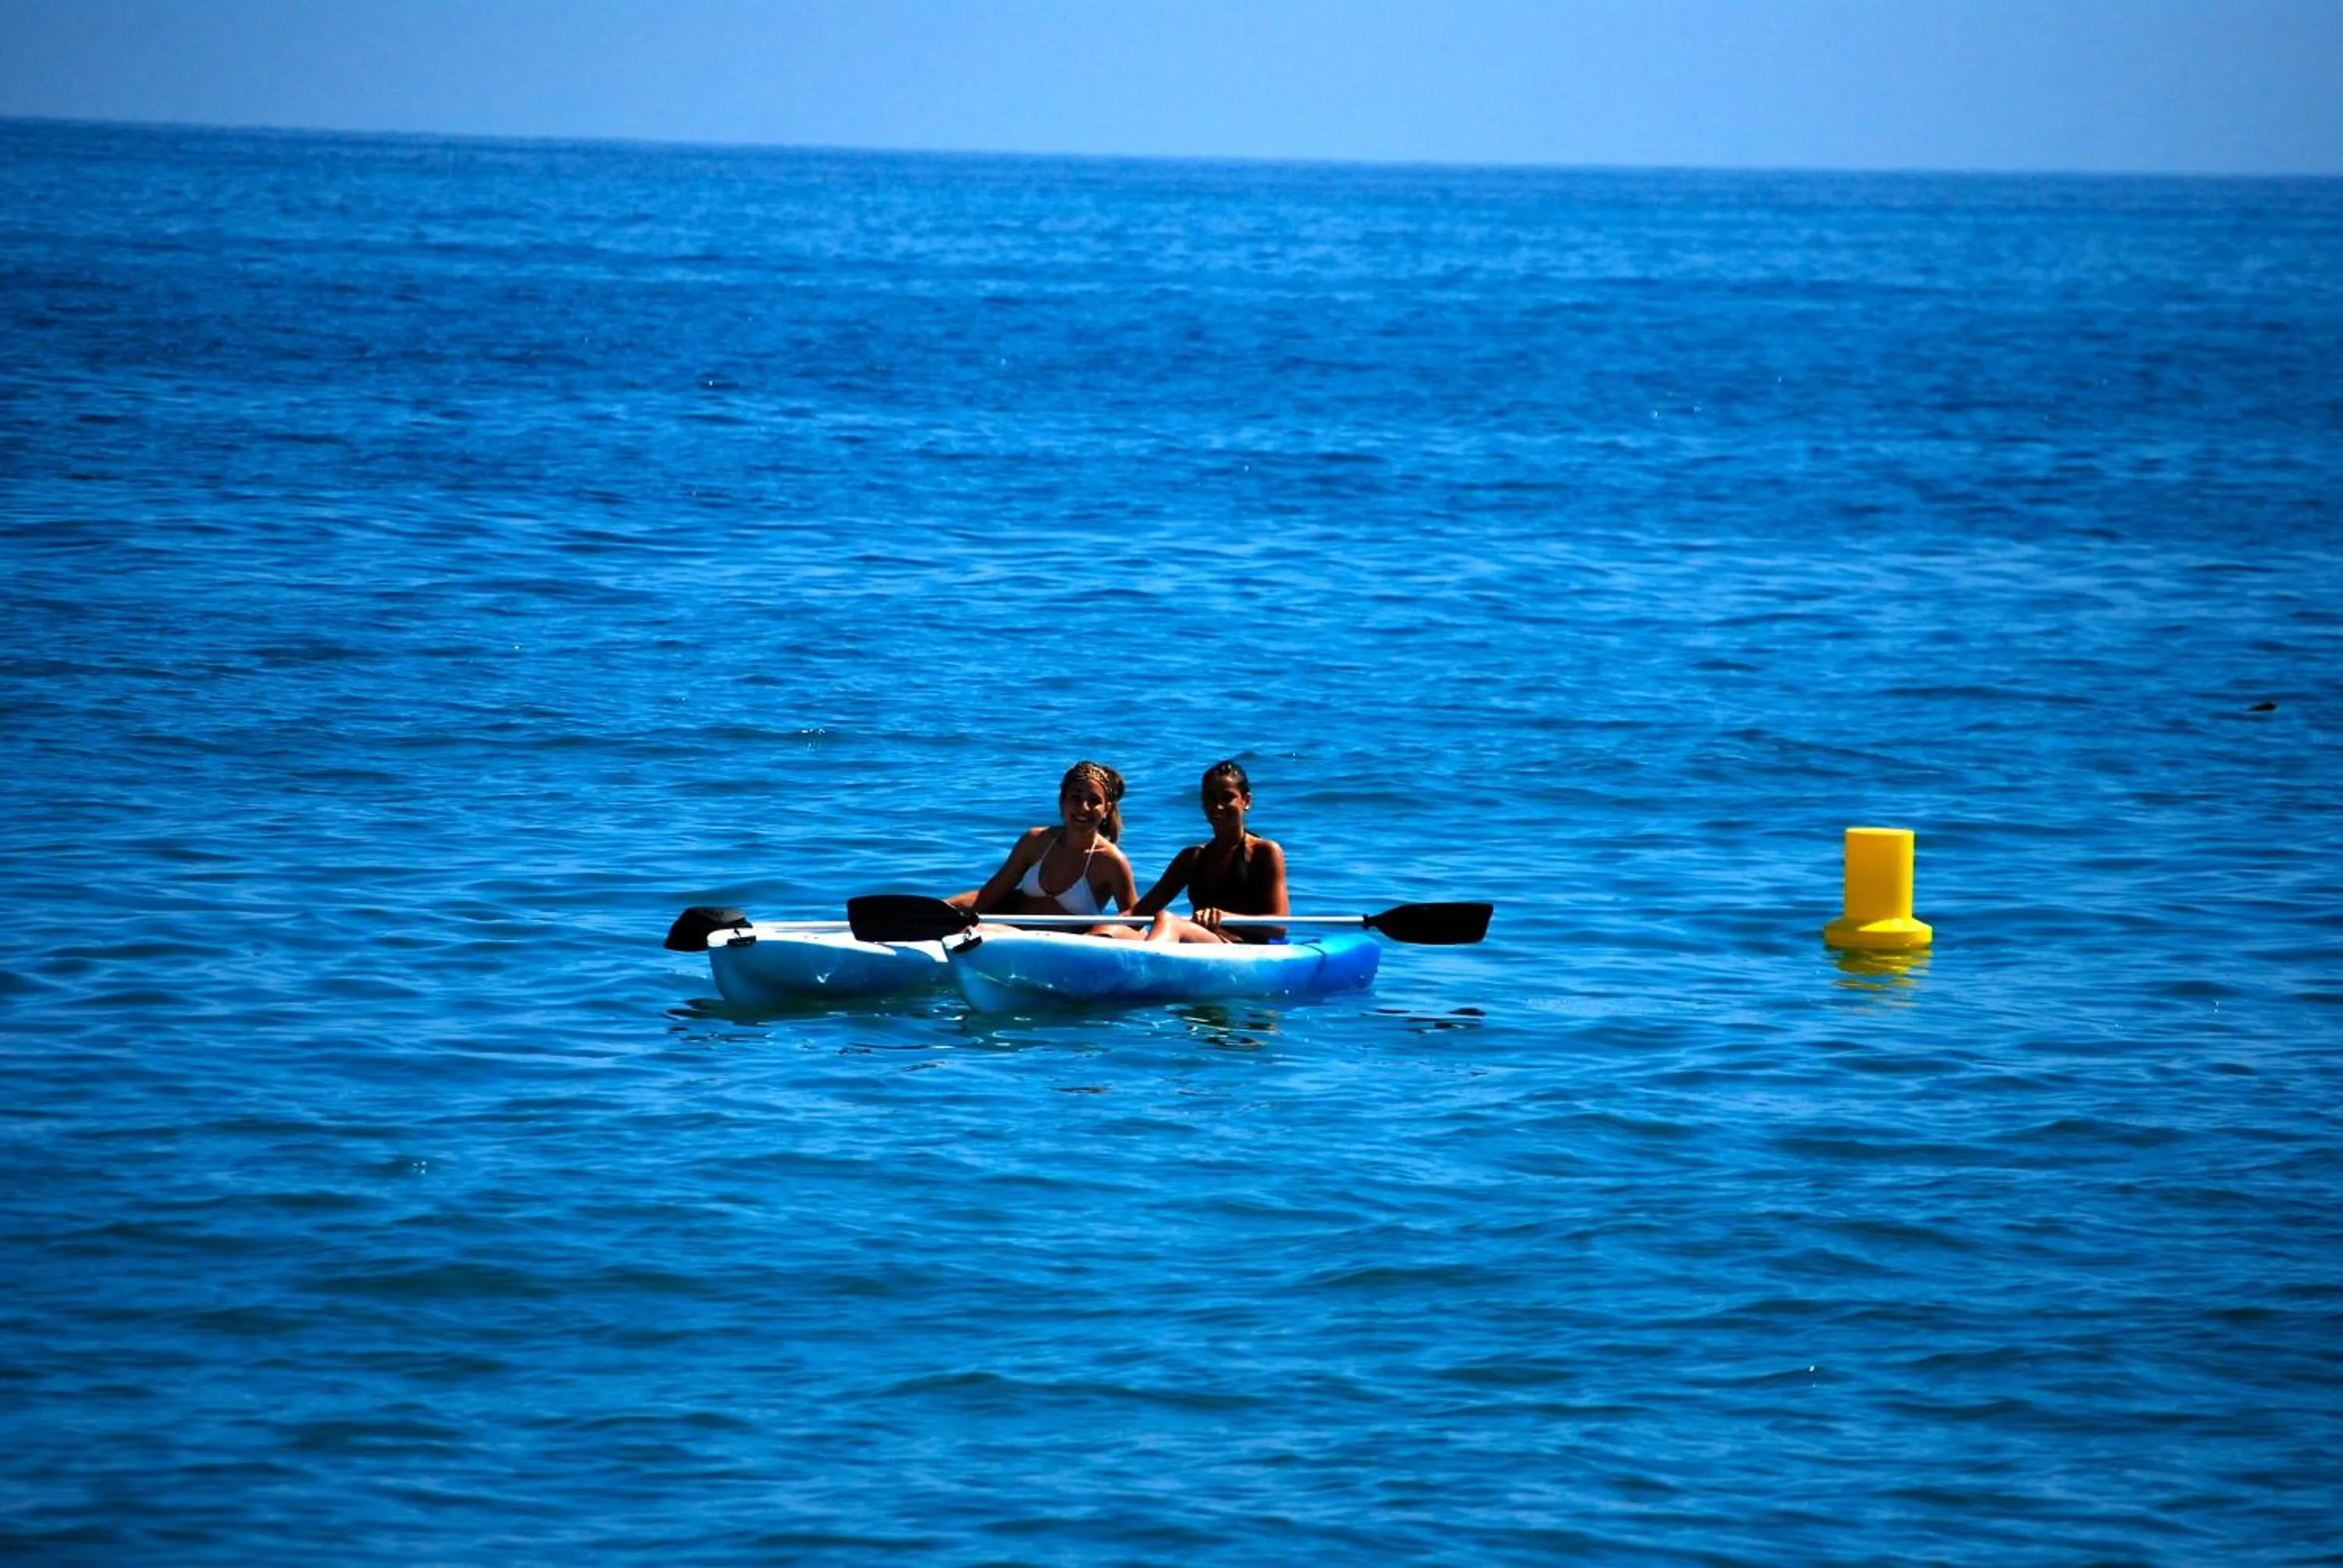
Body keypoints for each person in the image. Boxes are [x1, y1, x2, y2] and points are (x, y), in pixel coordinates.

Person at [951, 760, 1139, 931]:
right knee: (952, 908)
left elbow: (1134, 926)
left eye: (1094, 801)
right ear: (1062, 802)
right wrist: (946, 914)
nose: (1083, 808)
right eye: (1075, 797)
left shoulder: (1112, 862)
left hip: (1066, 952)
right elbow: (990, 894)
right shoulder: (1035, 841)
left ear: (1107, 809)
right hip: (1010, 939)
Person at [1134, 760, 1289, 943]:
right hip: (1200, 947)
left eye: (1227, 797)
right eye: (1211, 798)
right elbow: (1140, 912)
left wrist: (1224, 917)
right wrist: (1104, 927)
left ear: (1246, 801)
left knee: (1169, 921)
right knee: (1113, 930)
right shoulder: (1192, 857)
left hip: (1241, 952)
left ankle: (1143, 970)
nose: (1218, 806)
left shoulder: (1264, 852)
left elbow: (1280, 926)